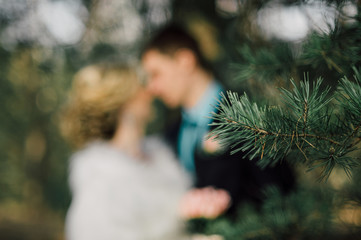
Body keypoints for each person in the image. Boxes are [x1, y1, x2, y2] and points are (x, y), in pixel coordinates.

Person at [141, 24, 295, 216]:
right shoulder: (170, 135)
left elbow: (279, 195)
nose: (152, 87)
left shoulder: (248, 116)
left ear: (185, 60)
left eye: (156, 74)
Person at [59, 63, 192, 240]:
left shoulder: (159, 157)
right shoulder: (99, 183)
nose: (150, 90)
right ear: (125, 102)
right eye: (142, 85)